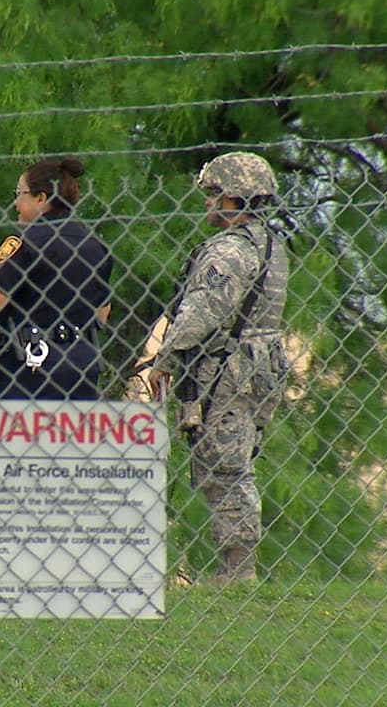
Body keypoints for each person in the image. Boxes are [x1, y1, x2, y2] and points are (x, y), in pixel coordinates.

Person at [148, 152, 289, 583]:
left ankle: (237, 570)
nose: (208, 203)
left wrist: (164, 360)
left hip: (228, 367)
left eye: (214, 194)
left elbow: (201, 312)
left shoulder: (227, 250)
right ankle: (237, 566)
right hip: (261, 364)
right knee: (235, 461)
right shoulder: (272, 245)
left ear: (233, 197)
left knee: (225, 465)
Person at [0, 158, 113, 400]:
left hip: (28, 372)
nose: (16, 203)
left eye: (20, 194)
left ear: (41, 198)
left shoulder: (25, 241)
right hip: (81, 369)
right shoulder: (95, 245)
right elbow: (102, 313)